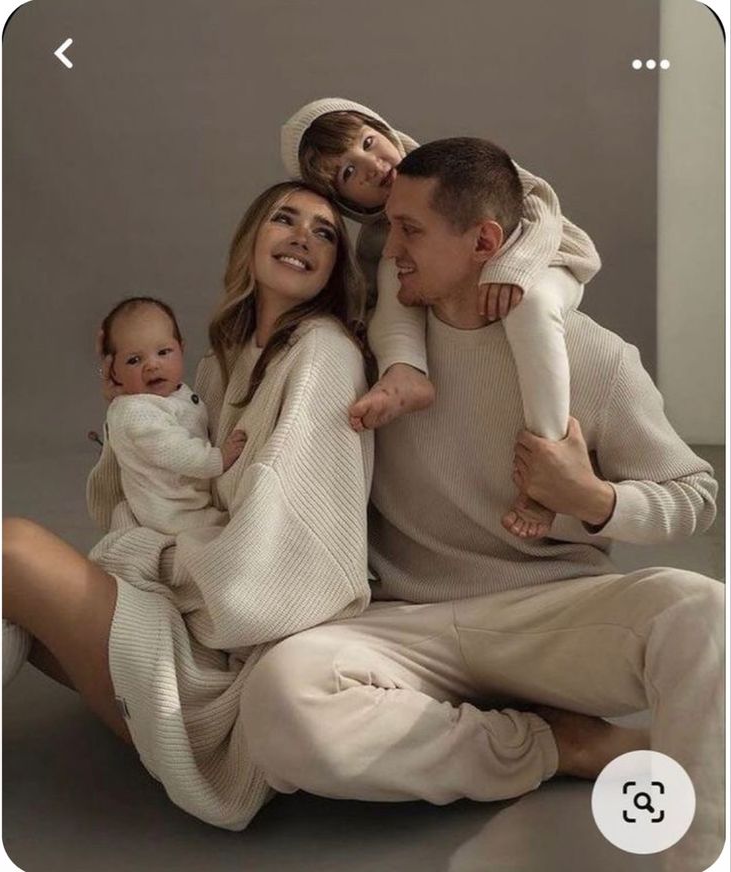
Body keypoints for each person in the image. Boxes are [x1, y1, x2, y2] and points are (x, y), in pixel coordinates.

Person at [240, 140, 723, 872]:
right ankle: (553, 744)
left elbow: (694, 495)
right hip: (404, 624)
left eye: (409, 231)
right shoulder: (373, 353)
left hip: (553, 616)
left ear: (485, 243)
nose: (386, 248)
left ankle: (694, 859)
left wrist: (593, 499)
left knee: (705, 612)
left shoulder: (591, 356)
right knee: (279, 700)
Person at [2, 181, 374, 830]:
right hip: (182, 614)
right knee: (20, 613)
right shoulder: (219, 362)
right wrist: (127, 414)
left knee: (11, 552)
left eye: (323, 233)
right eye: (283, 219)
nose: (302, 237)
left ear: (336, 265)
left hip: (220, 662)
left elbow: (281, 562)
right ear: (249, 240)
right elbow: (162, 491)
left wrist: (153, 558)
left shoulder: (322, 356)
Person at [282, 97, 601, 538]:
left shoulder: (450, 166)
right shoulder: (382, 243)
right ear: (343, 199)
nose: (371, 165)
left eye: (369, 143)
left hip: (546, 256)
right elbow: (381, 300)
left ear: (385, 129)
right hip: (473, 274)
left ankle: (547, 463)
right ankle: (406, 373)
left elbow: (541, 203)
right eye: (349, 172)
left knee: (529, 308)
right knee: (391, 271)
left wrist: (515, 269)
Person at [97, 296, 248, 535]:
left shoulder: (170, 394)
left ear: (181, 349)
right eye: (134, 360)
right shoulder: (137, 414)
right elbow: (176, 450)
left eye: (163, 352)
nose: (152, 366)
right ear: (114, 372)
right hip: (172, 513)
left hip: (188, 498)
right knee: (229, 533)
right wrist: (219, 458)